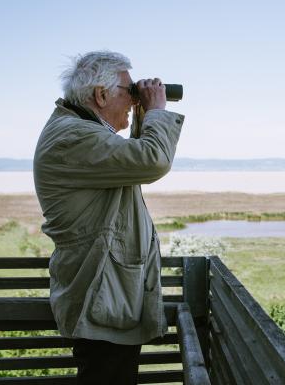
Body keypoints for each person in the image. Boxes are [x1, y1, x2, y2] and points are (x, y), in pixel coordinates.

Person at [33, 51, 184, 384]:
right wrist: (156, 109)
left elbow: (131, 162)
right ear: (101, 95)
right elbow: (151, 160)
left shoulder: (78, 132)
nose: (133, 101)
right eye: (129, 92)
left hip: (105, 292)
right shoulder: (74, 138)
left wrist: (144, 113)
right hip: (100, 295)